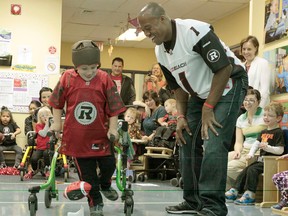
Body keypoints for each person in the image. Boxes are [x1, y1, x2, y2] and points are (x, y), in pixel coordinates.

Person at [137, 3, 248, 216]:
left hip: (229, 84)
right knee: (185, 137)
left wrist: (208, 108)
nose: (147, 33)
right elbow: (176, 88)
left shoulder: (195, 32)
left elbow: (224, 68)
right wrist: (181, 116)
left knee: (214, 142)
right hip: (200, 93)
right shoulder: (160, 51)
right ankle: (192, 200)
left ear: (163, 19)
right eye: (143, 31)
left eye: (149, 27)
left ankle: (213, 205)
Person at [49, 40, 126, 216]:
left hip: (101, 135)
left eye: (93, 67)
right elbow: (56, 102)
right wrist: (56, 123)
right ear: (76, 67)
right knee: (88, 176)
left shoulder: (104, 78)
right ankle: (95, 204)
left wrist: (113, 129)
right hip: (77, 138)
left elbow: (113, 107)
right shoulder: (67, 77)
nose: (90, 72)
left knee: (109, 165)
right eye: (84, 68)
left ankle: (105, 185)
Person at [225, 102, 285, 205]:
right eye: (265, 115)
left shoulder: (279, 132)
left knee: (252, 170)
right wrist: (251, 154)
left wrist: (268, 148)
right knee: (246, 170)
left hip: (272, 162)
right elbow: (255, 144)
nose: (266, 117)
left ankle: (250, 194)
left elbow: (280, 150)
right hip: (261, 161)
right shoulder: (263, 132)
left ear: (278, 118)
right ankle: (235, 190)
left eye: (270, 115)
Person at [227, 89, 266, 190]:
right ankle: (231, 189)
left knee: (229, 167)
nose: (248, 103)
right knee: (221, 160)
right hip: (244, 150)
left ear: (258, 102)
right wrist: (237, 151)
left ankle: (242, 186)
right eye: (246, 99)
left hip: (257, 152)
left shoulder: (264, 116)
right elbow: (239, 141)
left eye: (252, 100)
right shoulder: (241, 118)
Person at [240, 35, 272, 108]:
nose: (246, 52)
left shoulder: (263, 63)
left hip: (258, 106)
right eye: (244, 49)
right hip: (243, 106)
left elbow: (265, 90)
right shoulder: (241, 66)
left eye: (249, 49)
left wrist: (258, 107)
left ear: (255, 48)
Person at [24, 106, 53, 179]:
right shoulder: (38, 125)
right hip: (40, 147)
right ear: (39, 117)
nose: (45, 117)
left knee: (47, 154)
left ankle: (47, 169)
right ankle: (34, 169)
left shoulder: (52, 125)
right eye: (42, 116)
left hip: (49, 147)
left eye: (47, 115)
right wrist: (47, 124)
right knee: (34, 158)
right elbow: (43, 134)